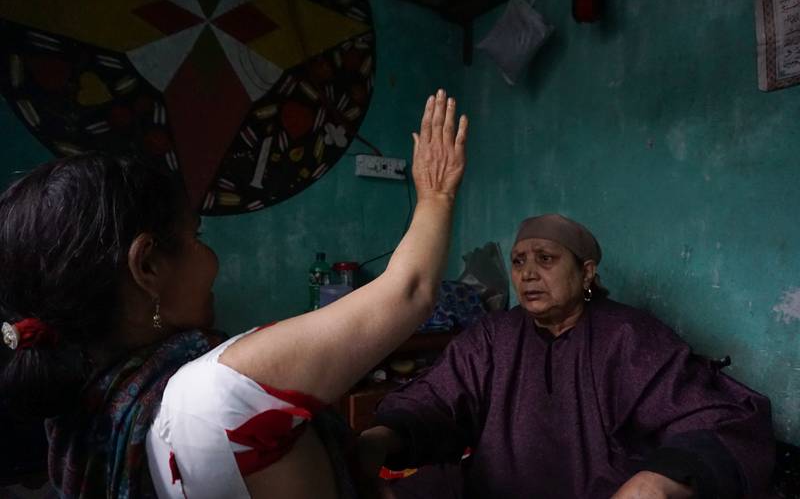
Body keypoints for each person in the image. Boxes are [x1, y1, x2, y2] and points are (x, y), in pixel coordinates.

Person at [0, 89, 467, 498]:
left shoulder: (82, 407)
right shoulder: (214, 393)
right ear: (148, 266)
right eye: (197, 237)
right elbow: (409, 292)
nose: (211, 260)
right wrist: (436, 196)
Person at [359, 214, 775, 499]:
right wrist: (379, 440)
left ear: (587, 272)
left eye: (546, 259)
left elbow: (714, 418)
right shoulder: (493, 335)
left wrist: (657, 482)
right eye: (519, 261)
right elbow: (437, 398)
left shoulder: (628, 336)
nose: (527, 273)